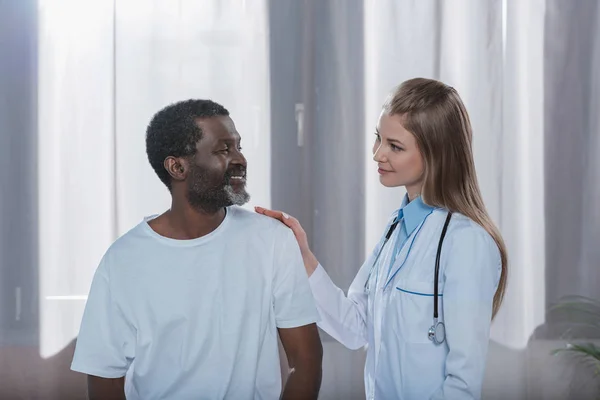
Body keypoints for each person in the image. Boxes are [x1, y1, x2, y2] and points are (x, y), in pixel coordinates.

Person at [255, 78, 508, 399]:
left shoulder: (467, 243)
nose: (377, 154)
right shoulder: (396, 229)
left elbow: (463, 381)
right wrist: (302, 254)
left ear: (437, 154)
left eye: (395, 146)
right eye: (378, 138)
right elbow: (355, 328)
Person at [71, 100, 323, 400]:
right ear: (177, 167)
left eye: (238, 146)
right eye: (223, 149)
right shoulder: (123, 261)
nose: (240, 158)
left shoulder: (272, 241)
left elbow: (306, 361)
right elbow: (104, 378)